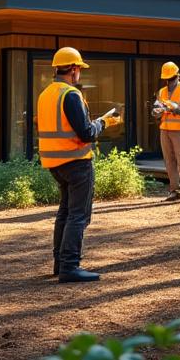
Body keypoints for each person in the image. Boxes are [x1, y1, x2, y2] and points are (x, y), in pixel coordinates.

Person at [37, 46, 121, 283]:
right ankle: (70, 267)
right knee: (78, 215)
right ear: (73, 69)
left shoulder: (46, 94)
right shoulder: (71, 94)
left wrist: (97, 122)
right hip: (76, 161)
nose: (80, 73)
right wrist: (104, 122)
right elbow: (86, 133)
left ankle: (60, 263)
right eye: (79, 69)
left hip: (55, 163)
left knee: (65, 212)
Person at [152, 61, 180, 202]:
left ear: (177, 76)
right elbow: (155, 110)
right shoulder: (162, 92)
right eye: (168, 79)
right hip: (165, 130)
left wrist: (175, 108)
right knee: (169, 161)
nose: (169, 81)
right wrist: (157, 111)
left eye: (171, 78)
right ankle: (175, 191)